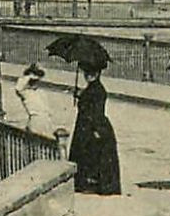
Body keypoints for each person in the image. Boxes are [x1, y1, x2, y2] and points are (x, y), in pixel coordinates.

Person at [67, 66, 121, 195]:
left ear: (97, 74)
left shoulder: (98, 90)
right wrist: (80, 95)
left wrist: (96, 130)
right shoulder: (92, 88)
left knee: (92, 155)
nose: (87, 75)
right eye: (86, 73)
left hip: (92, 127)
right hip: (85, 126)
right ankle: (86, 182)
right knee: (85, 154)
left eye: (91, 73)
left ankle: (91, 183)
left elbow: (96, 111)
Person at [13, 64, 63, 142]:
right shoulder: (25, 93)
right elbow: (18, 87)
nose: (35, 83)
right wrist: (30, 75)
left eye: (37, 81)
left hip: (46, 121)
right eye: (33, 81)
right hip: (36, 120)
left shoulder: (40, 92)